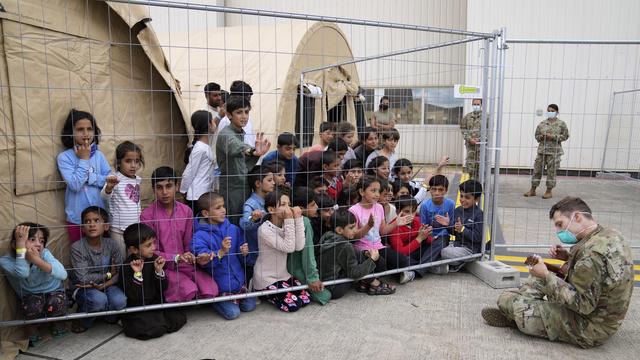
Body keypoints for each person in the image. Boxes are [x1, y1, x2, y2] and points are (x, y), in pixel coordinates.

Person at [482, 197, 634, 348]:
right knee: (536, 280)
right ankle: (528, 307)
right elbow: (596, 274)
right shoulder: (609, 235)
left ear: (577, 217)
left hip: (590, 328)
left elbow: (583, 306)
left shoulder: (592, 254)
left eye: (560, 224)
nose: (559, 231)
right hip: (606, 318)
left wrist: (547, 276)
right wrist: (567, 258)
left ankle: (519, 315)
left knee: (508, 300)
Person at [140, 166, 219, 303]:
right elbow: (149, 252)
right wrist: (175, 257)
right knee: (188, 289)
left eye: (169, 186)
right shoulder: (147, 215)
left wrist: (192, 255)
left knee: (211, 289)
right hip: (161, 265)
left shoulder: (186, 211)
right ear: (153, 189)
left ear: (177, 186)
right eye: (159, 187)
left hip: (184, 263)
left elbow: (189, 242)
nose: (164, 192)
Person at [191, 192, 256, 320]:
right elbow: (202, 261)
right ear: (205, 213)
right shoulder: (199, 236)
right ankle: (215, 300)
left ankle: (237, 295)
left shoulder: (233, 229)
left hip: (238, 282)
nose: (223, 210)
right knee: (233, 313)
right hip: (220, 286)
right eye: (218, 208)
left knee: (250, 305)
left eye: (223, 206)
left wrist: (244, 253)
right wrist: (220, 252)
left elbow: (243, 256)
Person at [0, 223, 68, 345]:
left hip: (54, 291)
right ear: (14, 244)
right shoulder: (6, 261)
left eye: (41, 241)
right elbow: (22, 273)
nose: (38, 244)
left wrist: (38, 261)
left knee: (56, 302)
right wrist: (22, 249)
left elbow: (63, 274)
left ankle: (58, 324)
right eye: (32, 239)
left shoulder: (45, 253)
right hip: (30, 296)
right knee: (32, 306)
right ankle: (32, 329)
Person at [119, 223, 186, 340]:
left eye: (154, 243)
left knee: (178, 318)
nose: (154, 248)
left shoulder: (154, 259)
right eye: (148, 245)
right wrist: (137, 273)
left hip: (155, 304)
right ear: (134, 249)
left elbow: (162, 288)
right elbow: (133, 295)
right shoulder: (127, 266)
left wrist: (159, 271)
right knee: (151, 328)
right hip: (137, 307)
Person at [349, 176, 415, 290]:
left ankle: (365, 281)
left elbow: (383, 231)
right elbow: (354, 236)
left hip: (378, 246)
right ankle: (369, 280)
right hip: (363, 249)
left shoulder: (379, 207)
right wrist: (368, 226)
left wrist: (396, 223)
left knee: (403, 261)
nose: (377, 194)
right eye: (373, 190)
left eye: (378, 191)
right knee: (381, 263)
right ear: (361, 192)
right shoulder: (354, 210)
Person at [57, 109, 111, 243]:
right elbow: (75, 185)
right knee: (79, 254)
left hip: (100, 216)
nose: (86, 133)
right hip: (77, 219)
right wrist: (84, 159)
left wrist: (90, 177)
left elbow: (109, 181)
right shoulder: (64, 158)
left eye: (90, 129)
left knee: (104, 254)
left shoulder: (99, 156)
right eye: (80, 129)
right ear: (71, 133)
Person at [253, 191, 311, 312]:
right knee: (293, 305)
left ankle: (274, 294)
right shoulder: (264, 230)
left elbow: (299, 246)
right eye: (283, 204)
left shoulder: (286, 224)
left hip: (283, 275)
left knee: (305, 299)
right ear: (271, 209)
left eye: (289, 204)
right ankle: (262, 292)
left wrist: (298, 219)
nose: (288, 208)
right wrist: (290, 220)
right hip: (266, 278)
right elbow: (288, 247)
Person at [70, 206, 126, 333]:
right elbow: (83, 278)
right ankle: (83, 320)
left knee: (120, 301)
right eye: (87, 221)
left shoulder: (111, 244)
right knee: (99, 300)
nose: (92, 225)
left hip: (108, 285)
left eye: (96, 220)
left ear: (106, 226)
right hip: (83, 287)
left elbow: (120, 271)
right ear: (82, 228)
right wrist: (108, 274)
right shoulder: (77, 247)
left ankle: (107, 317)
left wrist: (105, 284)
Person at [216, 96, 271, 224]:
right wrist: (253, 151)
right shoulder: (226, 134)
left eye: (246, 112)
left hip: (243, 186)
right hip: (232, 188)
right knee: (235, 223)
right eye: (239, 112)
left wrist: (256, 154)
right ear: (229, 115)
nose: (244, 116)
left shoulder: (240, 132)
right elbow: (236, 146)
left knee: (247, 221)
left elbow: (243, 163)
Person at [315, 209, 378, 299]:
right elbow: (354, 274)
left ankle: (368, 281)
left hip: (324, 283)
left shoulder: (327, 236)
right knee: (356, 253)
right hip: (335, 288)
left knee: (357, 252)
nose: (355, 230)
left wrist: (364, 253)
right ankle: (374, 283)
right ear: (339, 230)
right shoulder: (344, 246)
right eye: (351, 227)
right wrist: (372, 260)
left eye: (355, 227)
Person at [287, 186, 331, 305]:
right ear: (300, 208)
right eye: (312, 205)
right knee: (327, 295)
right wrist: (313, 278)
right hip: (297, 269)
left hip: (290, 269)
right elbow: (308, 253)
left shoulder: (287, 219)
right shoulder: (304, 222)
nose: (316, 207)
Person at [102, 141, 144, 258]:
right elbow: (104, 197)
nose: (133, 165)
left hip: (135, 229)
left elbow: (135, 201)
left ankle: (132, 276)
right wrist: (109, 187)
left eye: (137, 161)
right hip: (118, 230)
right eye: (128, 161)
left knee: (134, 259)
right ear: (119, 162)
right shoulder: (115, 179)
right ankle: (121, 277)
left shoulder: (137, 180)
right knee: (120, 259)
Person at [524, 104, 570, 199]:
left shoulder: (561, 124)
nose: (550, 112)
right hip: (542, 151)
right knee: (537, 170)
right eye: (549, 110)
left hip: (554, 152)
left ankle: (549, 191)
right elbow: (536, 136)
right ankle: (533, 189)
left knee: (551, 172)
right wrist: (541, 137)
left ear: (557, 112)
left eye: (552, 111)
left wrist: (553, 137)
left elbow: (565, 136)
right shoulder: (542, 124)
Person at [239, 165, 275, 282]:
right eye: (269, 180)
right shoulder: (251, 204)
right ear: (258, 183)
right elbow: (244, 223)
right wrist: (254, 219)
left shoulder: (270, 200)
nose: (273, 183)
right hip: (255, 253)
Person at [441, 179, 484, 272]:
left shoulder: (479, 214)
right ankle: (452, 264)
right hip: (457, 245)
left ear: (476, 199)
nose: (462, 200)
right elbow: (454, 232)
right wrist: (448, 225)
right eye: (461, 196)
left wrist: (463, 229)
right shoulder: (458, 210)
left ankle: (455, 264)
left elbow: (478, 237)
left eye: (467, 197)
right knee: (437, 248)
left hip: (470, 250)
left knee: (445, 252)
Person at [418, 174, 455, 273]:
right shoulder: (425, 205)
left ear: (446, 191)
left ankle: (418, 270)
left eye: (440, 189)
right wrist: (429, 236)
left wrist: (439, 234)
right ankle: (432, 265)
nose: (437, 193)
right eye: (434, 189)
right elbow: (423, 225)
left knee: (440, 242)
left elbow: (451, 227)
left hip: (443, 236)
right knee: (422, 249)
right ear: (430, 190)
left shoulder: (450, 204)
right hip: (428, 236)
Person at [181, 110, 215, 213]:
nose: (215, 124)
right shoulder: (200, 148)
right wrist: (183, 191)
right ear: (209, 125)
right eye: (213, 121)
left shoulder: (205, 146)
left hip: (203, 194)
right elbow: (189, 172)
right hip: (197, 196)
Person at [389, 196, 433, 270]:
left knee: (439, 243)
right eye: (407, 211)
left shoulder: (417, 220)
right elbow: (400, 252)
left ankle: (421, 267)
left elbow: (428, 240)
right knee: (402, 261)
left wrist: (427, 234)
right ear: (397, 212)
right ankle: (426, 267)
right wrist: (419, 238)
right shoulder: (394, 227)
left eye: (413, 211)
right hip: (405, 255)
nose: (411, 215)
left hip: (417, 251)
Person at [217, 80, 256, 146]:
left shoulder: (248, 118)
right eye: (247, 98)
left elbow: (252, 141)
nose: (249, 101)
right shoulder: (226, 121)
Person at [459, 98, 483, 179]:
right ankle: (471, 182)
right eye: (474, 104)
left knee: (481, 165)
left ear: (481, 105)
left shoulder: (486, 117)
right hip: (470, 146)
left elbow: (489, 131)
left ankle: (480, 184)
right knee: (470, 165)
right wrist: (469, 139)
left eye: (478, 104)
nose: (476, 106)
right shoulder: (467, 117)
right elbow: (463, 129)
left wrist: (479, 140)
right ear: (472, 105)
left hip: (482, 147)